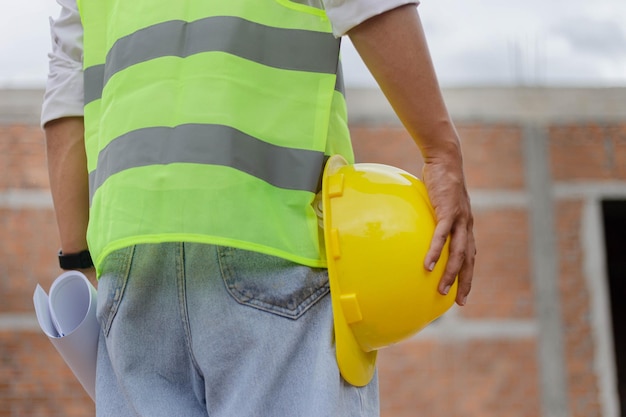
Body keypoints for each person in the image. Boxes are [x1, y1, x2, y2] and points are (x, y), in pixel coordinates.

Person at [42, 0, 476, 416]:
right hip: (272, 237)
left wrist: (79, 255)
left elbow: (68, 75)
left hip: (131, 259)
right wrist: (440, 152)